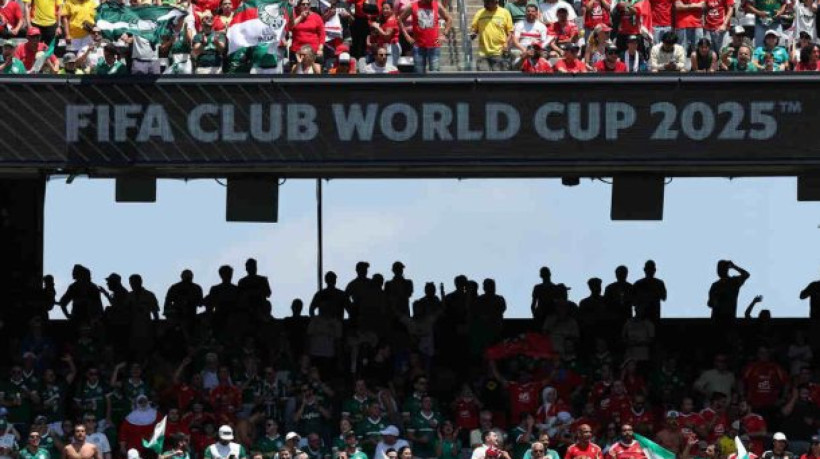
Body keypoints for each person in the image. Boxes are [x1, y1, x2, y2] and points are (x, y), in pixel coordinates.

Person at [398, 0, 451, 73]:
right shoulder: (413, 6)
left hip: (434, 45)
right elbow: (400, 19)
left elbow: (449, 19)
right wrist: (406, 35)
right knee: (419, 74)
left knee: (435, 74)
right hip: (418, 45)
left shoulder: (437, 5)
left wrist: (444, 34)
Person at [471, 0, 514, 71]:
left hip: (499, 52)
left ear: (495, 2)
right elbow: (474, 29)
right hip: (483, 53)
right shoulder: (479, 13)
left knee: (497, 78)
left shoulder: (505, 12)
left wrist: (506, 43)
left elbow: (510, 32)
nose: (485, 4)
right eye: (485, 2)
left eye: (487, 2)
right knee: (483, 78)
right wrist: (473, 34)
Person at [290, 0, 325, 67]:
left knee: (315, 74)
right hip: (297, 51)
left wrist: (320, 49)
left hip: (313, 51)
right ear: (299, 6)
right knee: (296, 74)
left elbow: (322, 34)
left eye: (308, 4)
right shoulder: (294, 15)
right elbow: (290, 27)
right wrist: (301, 17)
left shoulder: (316, 17)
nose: (306, 6)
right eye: (303, 4)